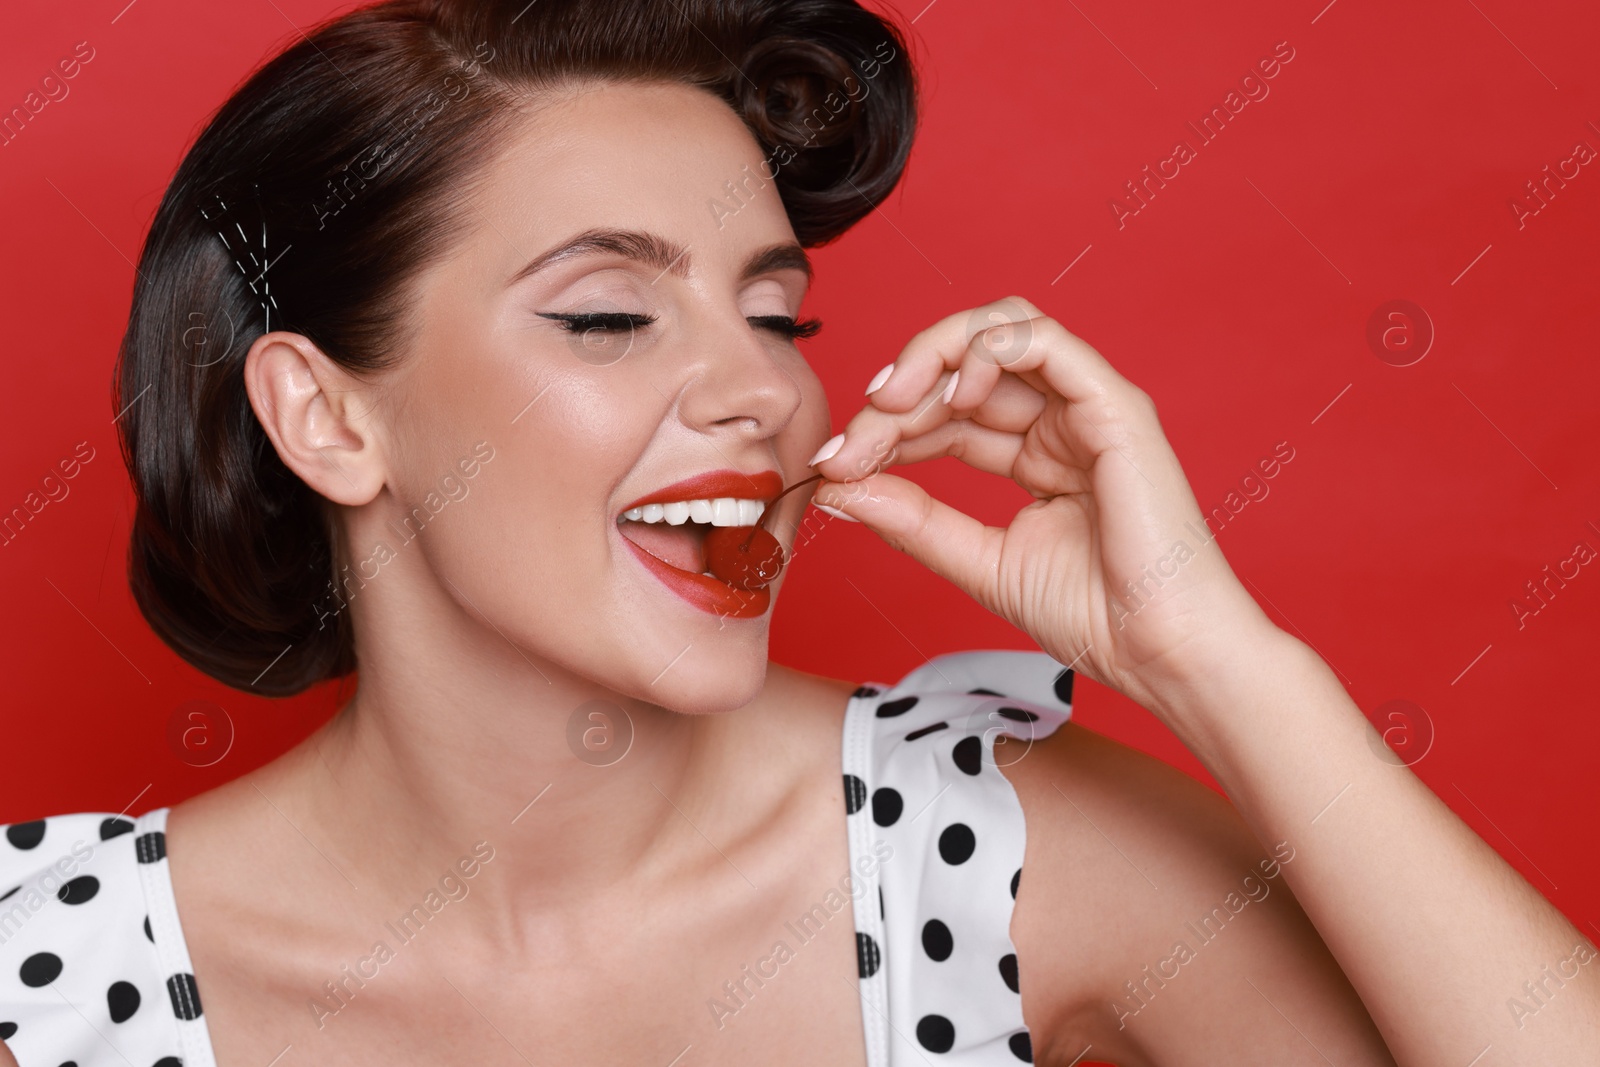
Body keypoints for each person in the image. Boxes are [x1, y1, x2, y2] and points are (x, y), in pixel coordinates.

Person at [2, 0, 1595, 1064]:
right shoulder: (51, 979)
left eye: (776, 312)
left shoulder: (981, 856)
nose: (758, 389)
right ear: (328, 417)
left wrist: (1220, 663)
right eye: (613, 313)